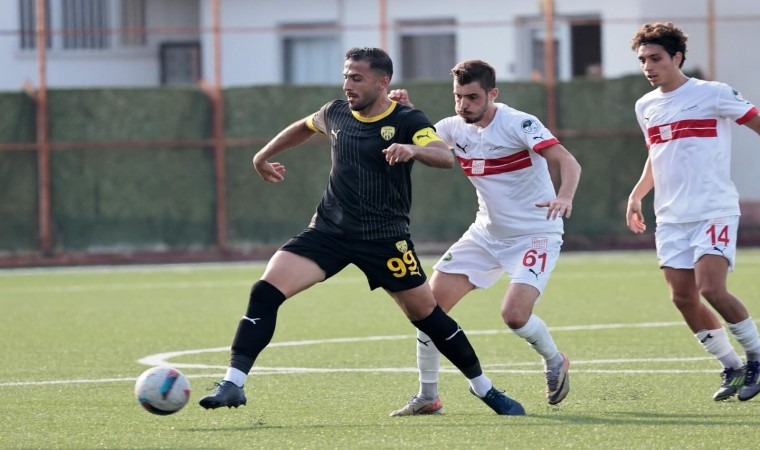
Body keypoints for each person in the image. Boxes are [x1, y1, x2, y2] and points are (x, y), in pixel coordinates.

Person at [198, 47, 525, 416]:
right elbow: (305, 126)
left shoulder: (408, 119)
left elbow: (443, 156)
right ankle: (233, 383)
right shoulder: (336, 112)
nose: (347, 85)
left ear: (382, 83)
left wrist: (412, 150)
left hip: (384, 240)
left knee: (428, 316)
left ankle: (484, 388)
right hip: (328, 233)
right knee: (264, 292)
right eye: (345, 76)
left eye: (357, 78)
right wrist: (262, 156)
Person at [387, 59, 581, 416]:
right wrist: (406, 113)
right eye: (458, 97)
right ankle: (428, 396)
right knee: (427, 311)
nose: (464, 105)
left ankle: (555, 360)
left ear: (493, 93)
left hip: (535, 235)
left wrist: (565, 196)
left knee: (515, 316)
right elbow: (427, 144)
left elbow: (568, 161)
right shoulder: (453, 127)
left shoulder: (519, 123)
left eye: (472, 97)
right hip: (485, 235)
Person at [626, 22, 760, 401]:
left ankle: (756, 357)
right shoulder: (645, 106)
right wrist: (637, 194)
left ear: (677, 57)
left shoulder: (713, 93)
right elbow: (658, 154)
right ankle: (731, 366)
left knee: (711, 288)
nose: (648, 67)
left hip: (713, 209)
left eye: (656, 58)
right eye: (643, 60)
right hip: (670, 217)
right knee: (683, 298)